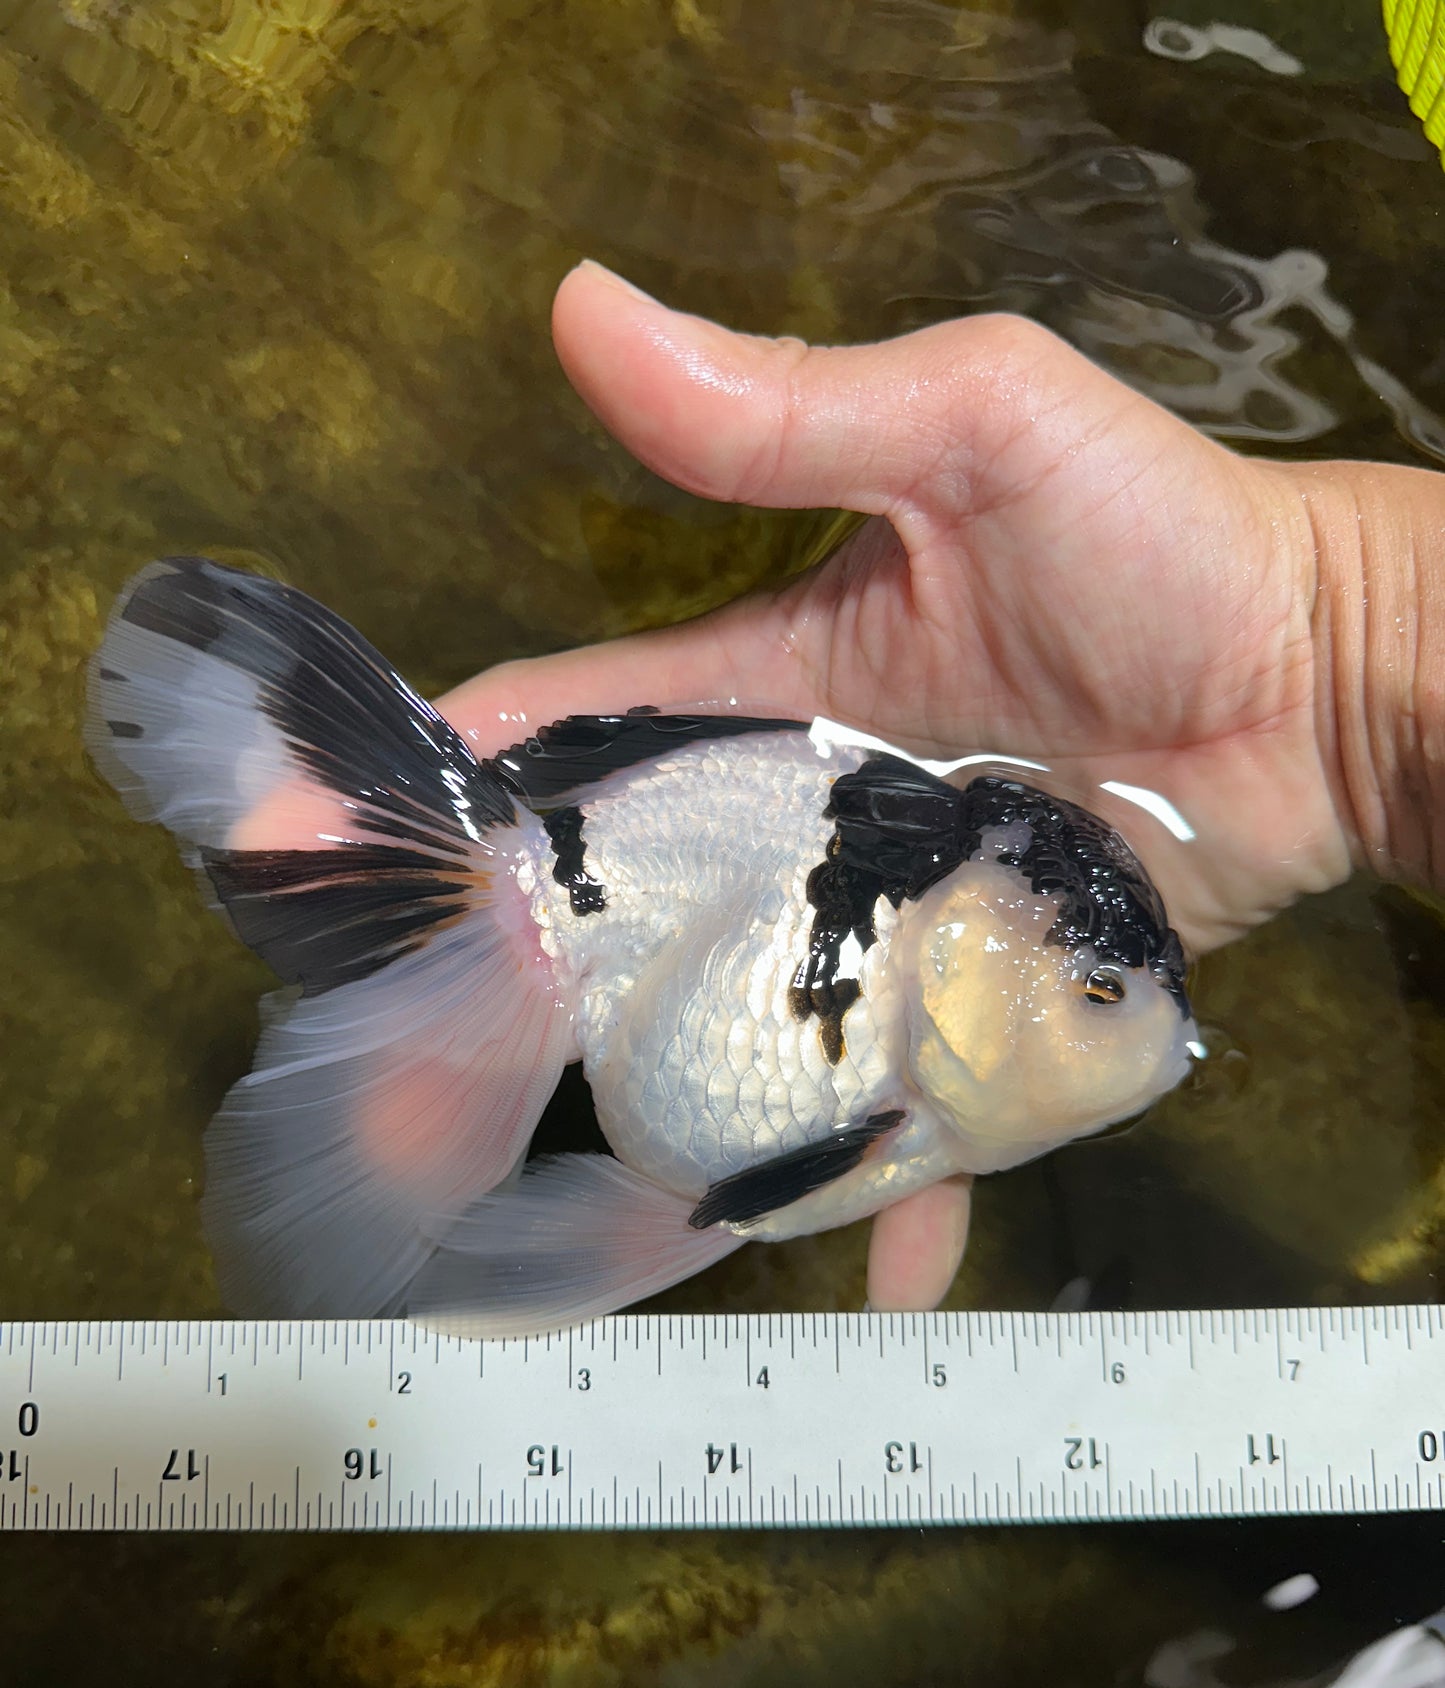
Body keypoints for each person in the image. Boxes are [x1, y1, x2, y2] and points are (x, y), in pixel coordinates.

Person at [439, 260, 1445, 1312]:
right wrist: (1328, 657)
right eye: (1094, 993)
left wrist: (1334, 651)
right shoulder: (910, 1048)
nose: (1167, 1048)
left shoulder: (926, 1070)